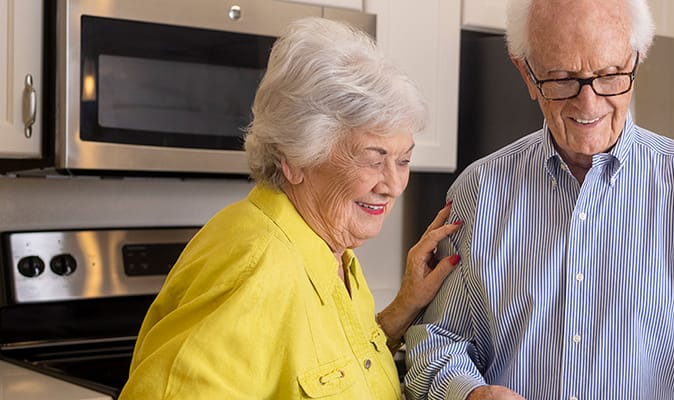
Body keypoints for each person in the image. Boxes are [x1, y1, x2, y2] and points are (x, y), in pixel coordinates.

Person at [402, 0, 674, 398]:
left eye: (611, 75)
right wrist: (470, 394)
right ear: (526, 72)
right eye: (562, 78)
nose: (589, 103)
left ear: (638, 58)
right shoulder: (479, 192)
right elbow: (439, 343)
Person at [122, 17, 460, 399]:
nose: (394, 185)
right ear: (296, 159)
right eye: (373, 158)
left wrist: (404, 307)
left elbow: (329, 368)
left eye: (403, 161)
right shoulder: (255, 262)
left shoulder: (332, 253)